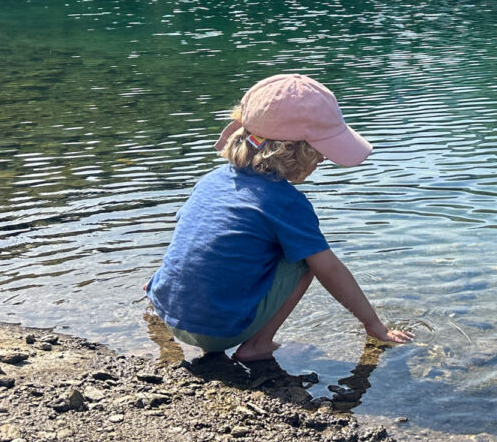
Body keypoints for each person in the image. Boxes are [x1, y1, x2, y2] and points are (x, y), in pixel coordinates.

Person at [146, 73, 414, 363]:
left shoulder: (211, 180)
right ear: (292, 151)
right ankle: (257, 345)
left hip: (168, 312)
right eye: (320, 152)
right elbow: (331, 270)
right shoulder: (287, 203)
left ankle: (163, 303)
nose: (323, 159)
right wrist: (374, 325)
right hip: (217, 334)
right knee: (307, 259)